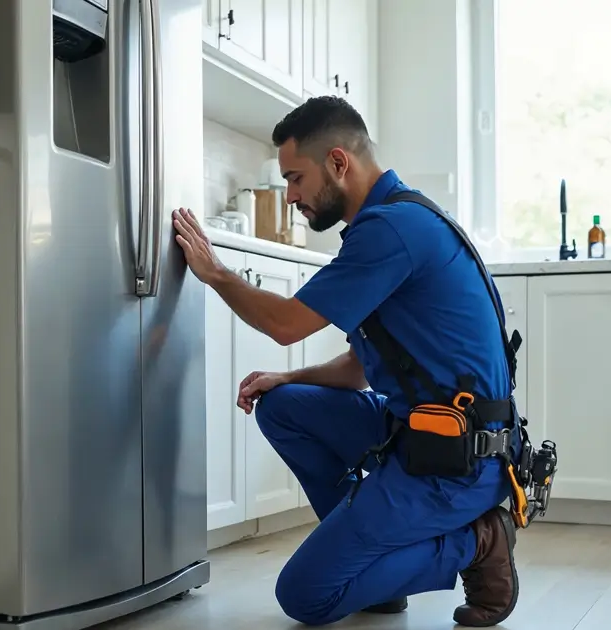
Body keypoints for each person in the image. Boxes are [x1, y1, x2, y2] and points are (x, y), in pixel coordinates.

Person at [172, 95, 520, 627]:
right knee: (282, 405)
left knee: (306, 597)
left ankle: (479, 541)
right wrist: (288, 378)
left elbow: (286, 324)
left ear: (338, 162)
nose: (290, 196)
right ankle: (372, 567)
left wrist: (217, 273)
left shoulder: (393, 230)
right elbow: (363, 364)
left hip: (457, 459)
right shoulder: (390, 222)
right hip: (418, 431)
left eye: (295, 178)